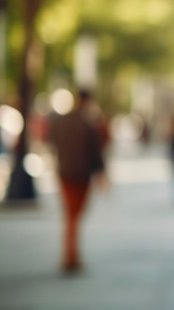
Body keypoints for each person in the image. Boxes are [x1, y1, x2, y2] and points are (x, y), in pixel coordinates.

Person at [48, 89, 107, 273]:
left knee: (70, 215)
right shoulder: (88, 125)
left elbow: (52, 143)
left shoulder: (60, 122)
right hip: (80, 175)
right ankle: (70, 256)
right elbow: (95, 153)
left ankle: (71, 255)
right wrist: (101, 175)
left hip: (64, 172)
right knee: (74, 215)